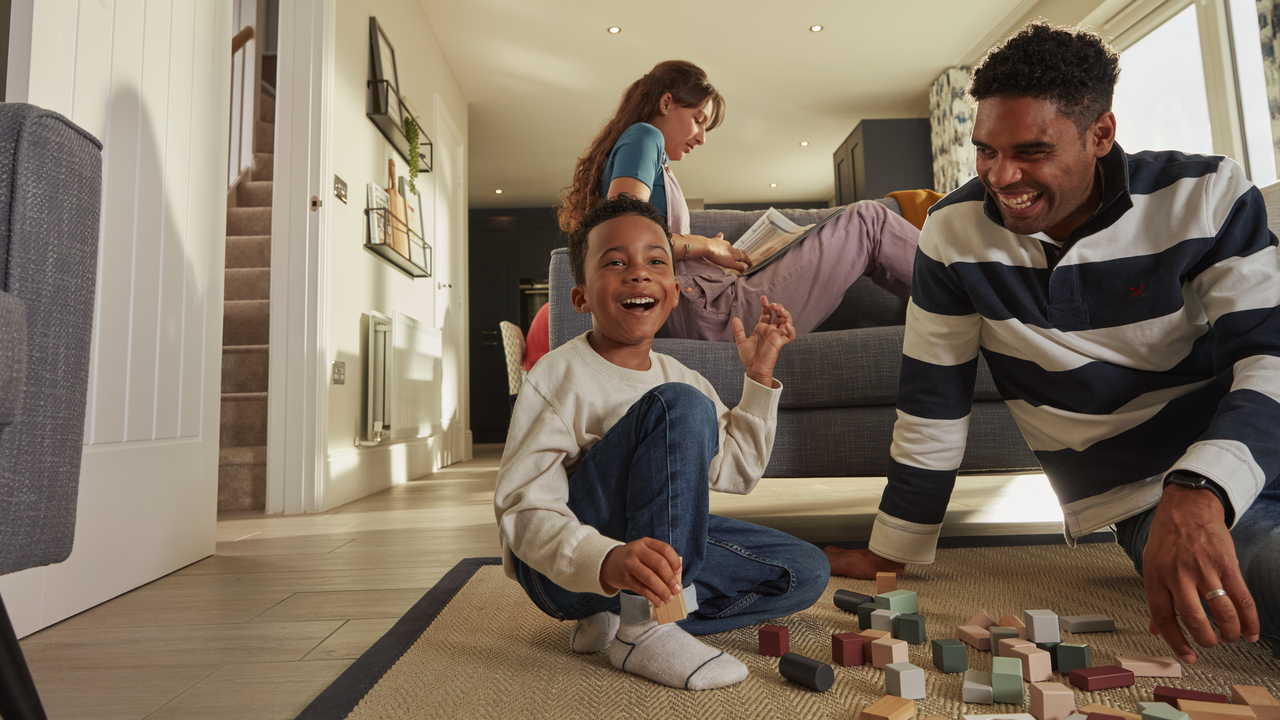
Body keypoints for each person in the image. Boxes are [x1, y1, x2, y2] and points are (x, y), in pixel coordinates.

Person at [825, 20, 1279, 664]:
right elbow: (933, 406)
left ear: (1101, 134)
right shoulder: (952, 235)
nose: (1000, 176)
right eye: (985, 150)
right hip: (1149, 493)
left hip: (1246, 450)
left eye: (1030, 152)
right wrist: (891, 548)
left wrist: (1203, 485)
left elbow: (1270, 356)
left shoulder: (1205, 194)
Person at [494, 195, 829, 690]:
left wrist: (758, 378)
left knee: (806, 570)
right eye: (615, 262)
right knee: (678, 404)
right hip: (561, 572)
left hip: (641, 567)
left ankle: (626, 620)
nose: (639, 273)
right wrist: (605, 560)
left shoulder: (684, 377)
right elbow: (523, 509)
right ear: (581, 296)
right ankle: (647, 626)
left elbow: (737, 473)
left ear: (673, 291)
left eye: (656, 261)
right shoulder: (558, 375)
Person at [558, 60, 921, 342]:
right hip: (705, 311)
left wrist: (711, 256)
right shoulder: (644, 136)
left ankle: (946, 313)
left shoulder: (645, 150)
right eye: (698, 119)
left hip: (700, 306)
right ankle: (970, 290)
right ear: (666, 102)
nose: (701, 137)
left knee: (871, 245)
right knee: (868, 221)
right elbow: (624, 237)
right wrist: (704, 248)